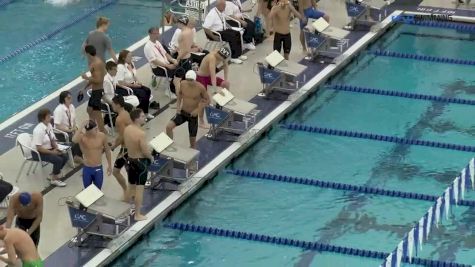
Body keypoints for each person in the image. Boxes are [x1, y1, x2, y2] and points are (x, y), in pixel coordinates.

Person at [166, 70, 210, 149]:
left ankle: (192, 157)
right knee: (168, 127)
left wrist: (197, 110)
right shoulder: (183, 84)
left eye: (191, 80)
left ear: (195, 79)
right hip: (183, 113)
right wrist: (178, 107)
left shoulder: (200, 87)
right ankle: (169, 146)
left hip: (192, 116)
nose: (189, 82)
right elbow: (179, 95)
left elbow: (207, 100)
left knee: (192, 144)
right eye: (188, 80)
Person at [123, 109, 153, 221]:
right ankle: (137, 215)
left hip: (130, 160)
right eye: (141, 116)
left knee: (130, 187)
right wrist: (151, 157)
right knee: (139, 189)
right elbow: (145, 151)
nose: (144, 118)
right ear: (136, 119)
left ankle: (124, 213)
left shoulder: (127, 129)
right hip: (140, 163)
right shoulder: (141, 133)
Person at [31, 109, 68, 187]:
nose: (51, 117)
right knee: (58, 160)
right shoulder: (38, 130)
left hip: (48, 148)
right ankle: (54, 180)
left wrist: (57, 148)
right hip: (37, 152)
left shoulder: (49, 125)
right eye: (48, 116)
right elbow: (39, 148)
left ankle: (53, 174)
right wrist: (53, 152)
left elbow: (52, 139)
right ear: (43, 118)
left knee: (65, 156)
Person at [203, 0, 247, 64]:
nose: (225, 7)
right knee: (232, 36)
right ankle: (234, 58)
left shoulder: (221, 11)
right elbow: (205, 27)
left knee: (237, 33)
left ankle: (239, 54)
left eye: (225, 6)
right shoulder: (212, 14)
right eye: (224, 6)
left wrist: (230, 27)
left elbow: (223, 21)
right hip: (216, 33)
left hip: (223, 30)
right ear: (218, 6)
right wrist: (213, 36)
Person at [196, 47, 231, 126]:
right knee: (205, 100)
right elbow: (213, 75)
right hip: (201, 77)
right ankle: (201, 121)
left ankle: (219, 107)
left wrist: (226, 80)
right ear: (218, 52)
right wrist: (215, 90)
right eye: (218, 55)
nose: (219, 58)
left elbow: (226, 66)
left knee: (226, 84)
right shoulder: (212, 57)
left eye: (221, 58)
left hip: (208, 77)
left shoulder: (223, 55)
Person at [73, 120, 112, 189]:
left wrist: (110, 165)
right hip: (87, 168)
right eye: (95, 129)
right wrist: (82, 126)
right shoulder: (82, 137)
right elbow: (74, 140)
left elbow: (107, 151)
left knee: (98, 190)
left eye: (97, 128)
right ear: (88, 131)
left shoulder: (102, 136)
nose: (97, 130)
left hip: (98, 168)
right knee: (87, 190)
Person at [116, 50, 154, 120]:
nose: (131, 57)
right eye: (129, 56)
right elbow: (120, 82)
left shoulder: (131, 63)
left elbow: (134, 75)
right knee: (142, 94)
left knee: (147, 90)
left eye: (131, 56)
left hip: (133, 83)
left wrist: (138, 82)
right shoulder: (120, 67)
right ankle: (139, 115)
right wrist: (134, 86)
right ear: (124, 58)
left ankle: (145, 113)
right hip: (125, 87)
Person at [143, 27, 180, 98]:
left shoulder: (157, 42)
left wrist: (173, 60)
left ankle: (174, 85)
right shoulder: (148, 47)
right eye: (155, 34)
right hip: (158, 68)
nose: (157, 35)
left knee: (181, 67)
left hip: (166, 64)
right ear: (150, 34)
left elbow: (165, 53)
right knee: (176, 72)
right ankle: (169, 90)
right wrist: (168, 66)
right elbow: (154, 61)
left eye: (158, 33)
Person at [81, 45, 107, 134]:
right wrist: (84, 88)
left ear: (88, 54)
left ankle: (102, 133)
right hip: (95, 91)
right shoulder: (93, 63)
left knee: (97, 114)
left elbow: (99, 80)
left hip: (98, 91)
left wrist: (86, 78)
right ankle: (92, 130)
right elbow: (94, 77)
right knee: (89, 110)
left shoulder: (97, 63)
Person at [110, 95, 132, 200]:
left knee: (115, 171)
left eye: (113, 104)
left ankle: (126, 191)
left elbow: (123, 136)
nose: (112, 106)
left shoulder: (119, 119)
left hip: (126, 149)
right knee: (129, 171)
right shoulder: (126, 113)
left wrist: (114, 145)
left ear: (118, 105)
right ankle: (130, 191)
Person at [53, 91, 83, 164]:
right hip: (61, 133)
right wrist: (69, 130)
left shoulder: (71, 106)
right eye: (68, 98)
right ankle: (76, 156)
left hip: (70, 130)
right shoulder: (59, 110)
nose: (70, 99)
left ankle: (79, 154)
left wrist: (75, 129)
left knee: (82, 135)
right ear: (63, 99)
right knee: (76, 139)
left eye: (71, 98)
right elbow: (57, 126)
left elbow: (73, 120)